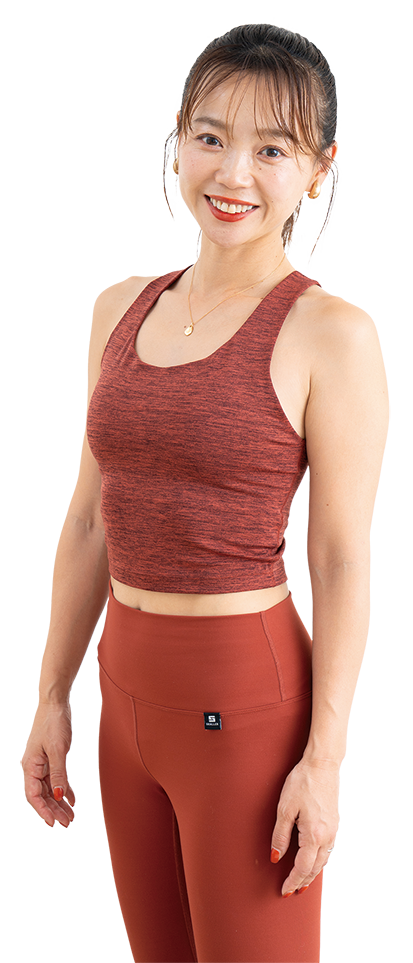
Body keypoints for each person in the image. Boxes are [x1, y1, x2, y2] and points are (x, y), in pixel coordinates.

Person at [22, 21, 389, 963]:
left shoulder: (329, 333)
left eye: (272, 149)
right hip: (122, 693)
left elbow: (340, 560)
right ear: (178, 140)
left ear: (318, 170)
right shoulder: (121, 308)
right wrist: (49, 692)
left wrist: (324, 761)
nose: (232, 173)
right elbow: (87, 521)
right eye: (211, 136)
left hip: (244, 705)